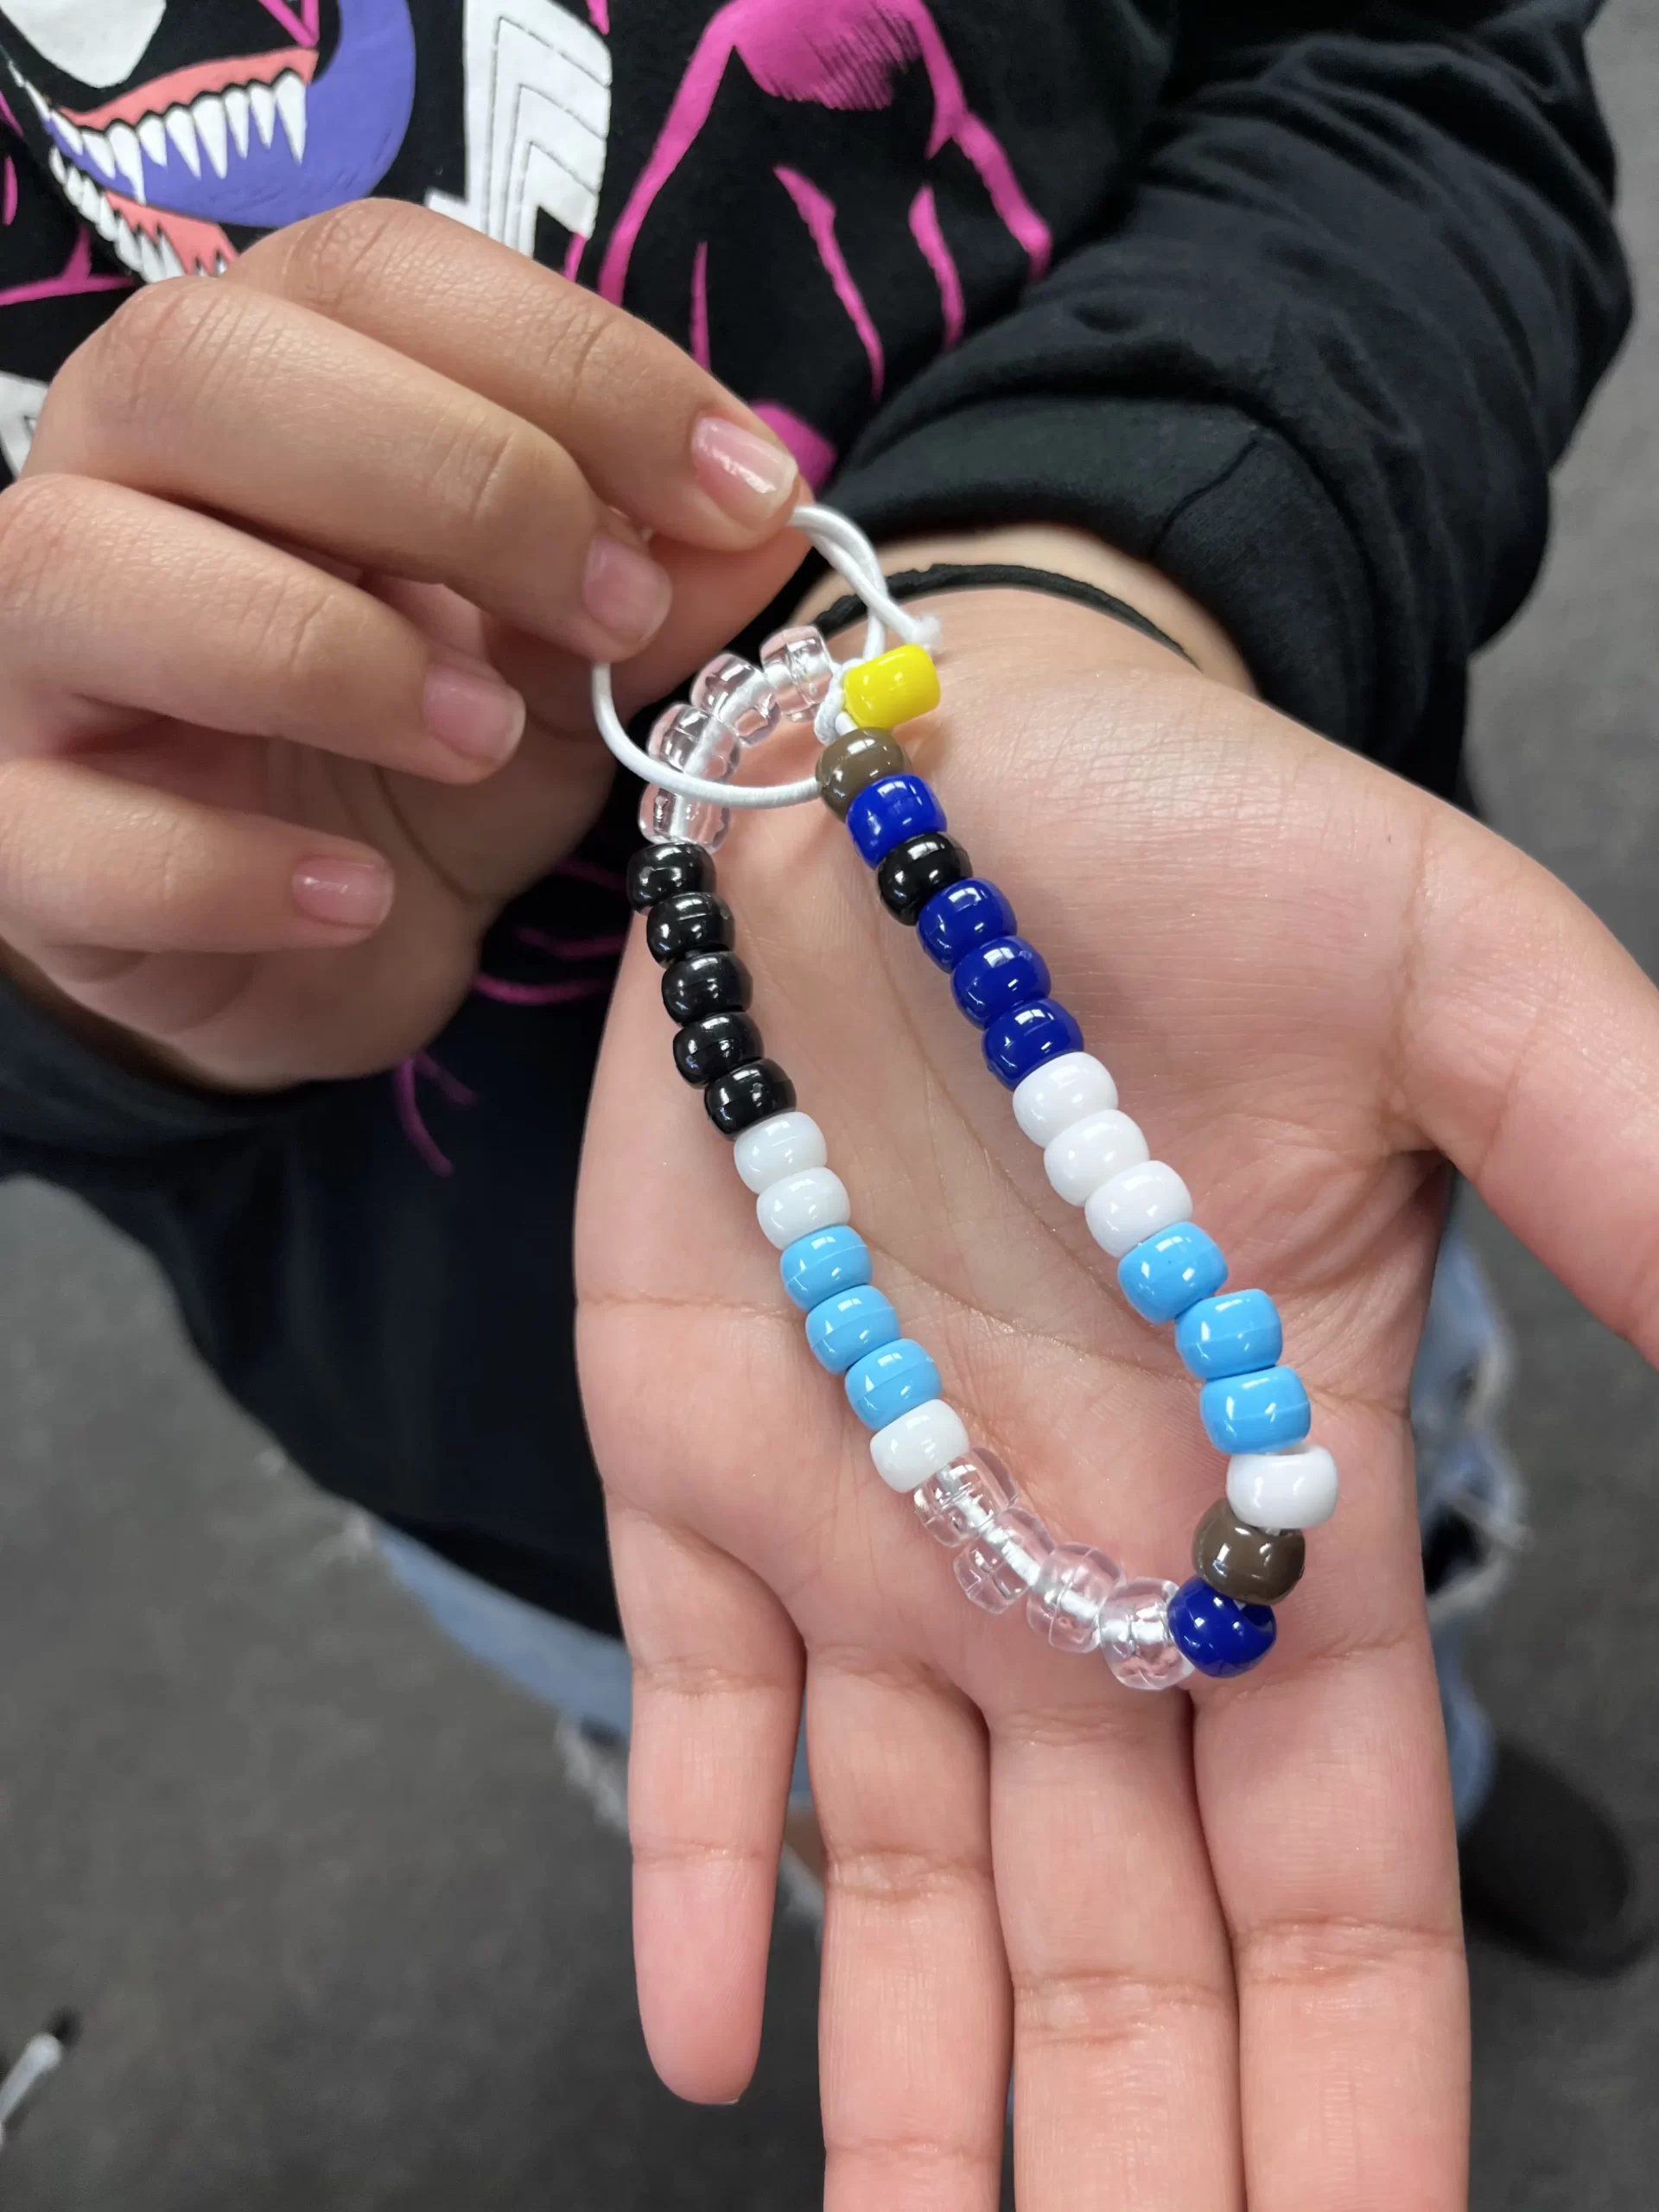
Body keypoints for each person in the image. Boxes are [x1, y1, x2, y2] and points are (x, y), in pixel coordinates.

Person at [0, 0, 1649, 2197]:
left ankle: (1431, 1774)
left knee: (1359, 1496)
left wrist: (1086, 578)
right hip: (551, 1455)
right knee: (843, 1740)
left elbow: (1413, 62)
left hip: (1262, 1124)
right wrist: (103, 982)